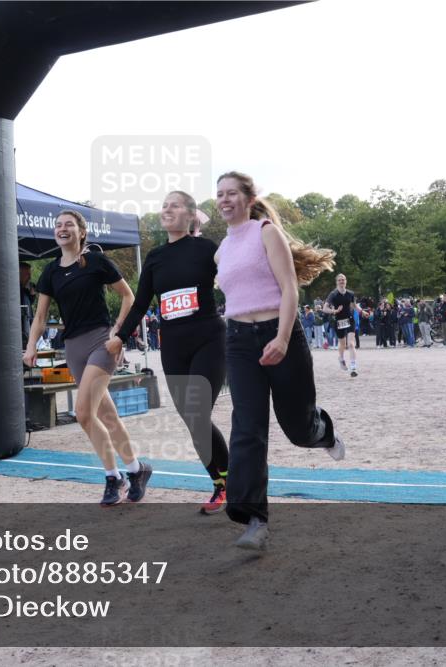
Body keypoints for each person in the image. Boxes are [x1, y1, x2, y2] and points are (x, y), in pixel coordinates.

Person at [214, 171, 344, 551]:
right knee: (247, 428)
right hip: (239, 342)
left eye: (232, 193)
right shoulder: (221, 250)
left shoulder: (266, 232)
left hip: (280, 332)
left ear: (249, 198)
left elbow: (290, 289)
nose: (224, 200)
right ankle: (254, 518)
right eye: (219, 194)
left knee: (298, 428)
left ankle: (325, 433)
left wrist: (283, 338)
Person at [106, 191, 230, 514]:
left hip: (209, 340)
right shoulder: (156, 258)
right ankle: (221, 483)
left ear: (190, 216)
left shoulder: (207, 249)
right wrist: (119, 337)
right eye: (164, 206)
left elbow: (236, 279)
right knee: (192, 421)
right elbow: (141, 301)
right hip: (173, 347)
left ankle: (230, 482)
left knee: (197, 412)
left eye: (174, 205)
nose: (167, 209)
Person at [23, 210, 151, 506]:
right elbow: (40, 315)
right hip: (74, 347)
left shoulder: (96, 261)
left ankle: (113, 476)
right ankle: (136, 470)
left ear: (81, 232)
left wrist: (118, 332)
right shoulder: (51, 271)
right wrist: (31, 345)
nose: (62, 229)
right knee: (107, 415)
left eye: (68, 224)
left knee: (83, 412)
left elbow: (129, 296)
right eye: (58, 225)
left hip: (100, 342)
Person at [322, 273, 360, 377]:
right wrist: (334, 311)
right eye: (339, 280)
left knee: (351, 344)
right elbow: (324, 309)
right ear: (337, 282)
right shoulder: (333, 294)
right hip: (338, 320)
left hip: (349, 319)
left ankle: (353, 367)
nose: (341, 281)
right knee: (342, 344)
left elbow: (354, 306)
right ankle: (341, 358)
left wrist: (362, 312)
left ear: (346, 281)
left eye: (343, 279)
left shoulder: (350, 293)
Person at [19, 261, 36, 350]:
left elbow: (29, 303)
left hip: (27, 323)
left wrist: (32, 294)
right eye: (27, 274)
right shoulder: (15, 289)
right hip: (21, 326)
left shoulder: (25, 290)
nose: (29, 277)